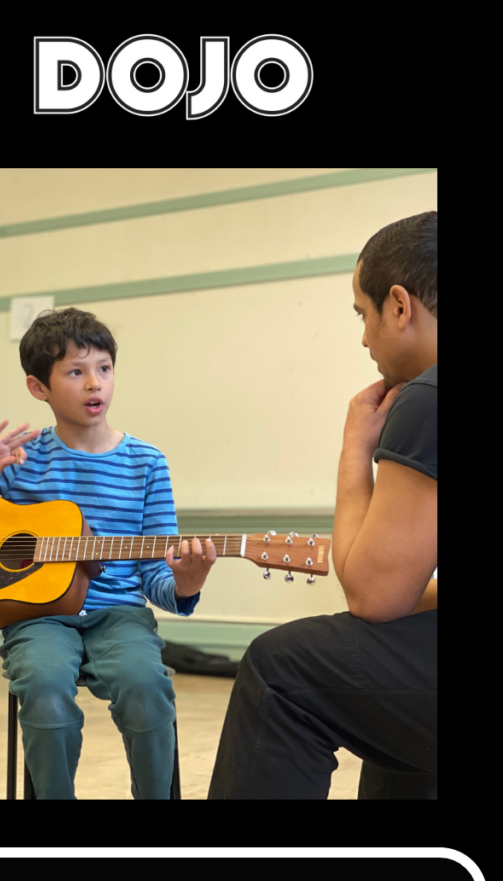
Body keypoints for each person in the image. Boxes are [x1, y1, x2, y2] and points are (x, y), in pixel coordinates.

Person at [0, 308, 216, 798]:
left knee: (146, 686)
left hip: (119, 615)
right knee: (43, 687)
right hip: (38, 616)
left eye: (104, 368)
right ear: (37, 387)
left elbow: (157, 580)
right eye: (76, 371)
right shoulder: (18, 461)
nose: (95, 384)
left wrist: (187, 583)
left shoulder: (146, 464)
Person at [208, 211, 437, 799]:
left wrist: (355, 448)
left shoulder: (427, 400)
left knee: (280, 668)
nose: (364, 338)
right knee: (381, 673)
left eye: (363, 316)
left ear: (399, 305)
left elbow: (372, 595)